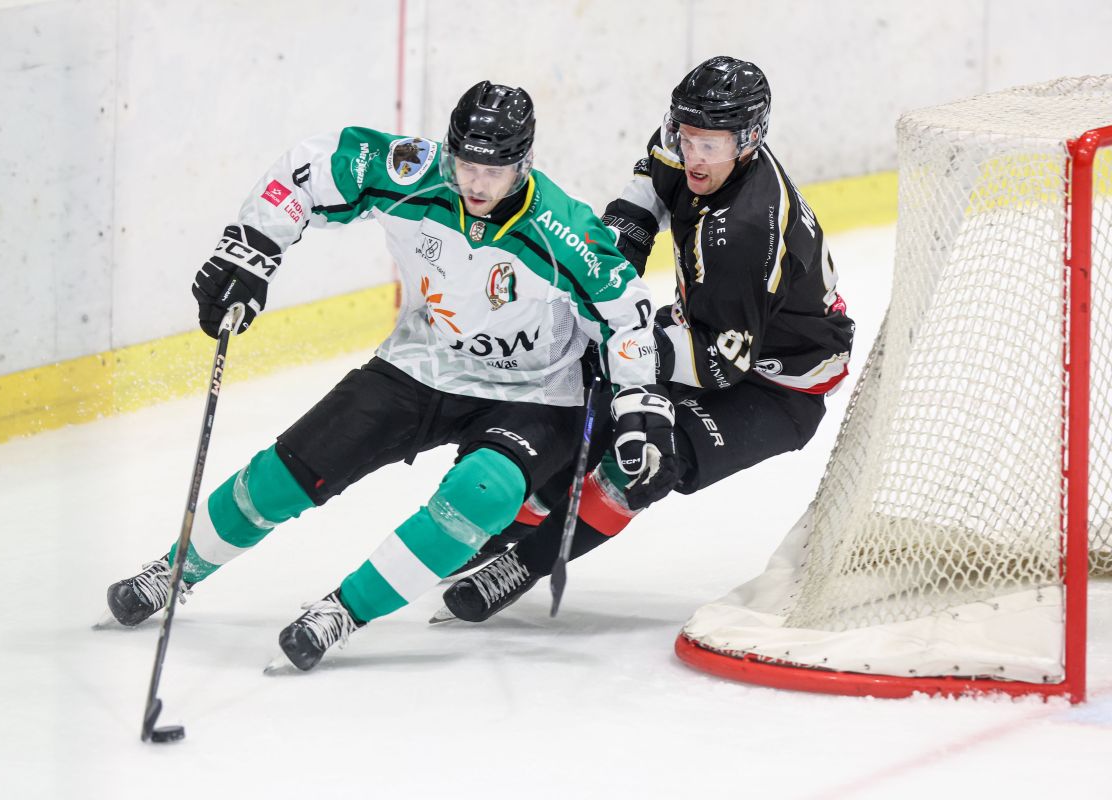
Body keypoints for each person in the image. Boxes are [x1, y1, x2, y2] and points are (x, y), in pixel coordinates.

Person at [103, 81, 674, 672]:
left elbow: (626, 312)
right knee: (286, 475)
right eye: (467, 165)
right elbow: (312, 166)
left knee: (484, 493)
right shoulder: (414, 173)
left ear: (523, 165)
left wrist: (638, 399)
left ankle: (343, 612)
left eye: (495, 171)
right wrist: (250, 247)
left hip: (537, 390)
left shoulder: (563, 228)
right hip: (423, 359)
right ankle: (174, 570)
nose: (477, 184)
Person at [439, 57, 855, 622]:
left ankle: (523, 564)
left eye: (710, 145)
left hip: (778, 386)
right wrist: (601, 288)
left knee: (648, 458)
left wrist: (623, 345)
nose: (693, 156)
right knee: (584, 404)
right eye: (687, 136)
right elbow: (640, 208)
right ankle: (502, 527)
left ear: (749, 141)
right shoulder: (682, 144)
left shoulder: (745, 231)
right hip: (708, 328)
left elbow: (719, 364)